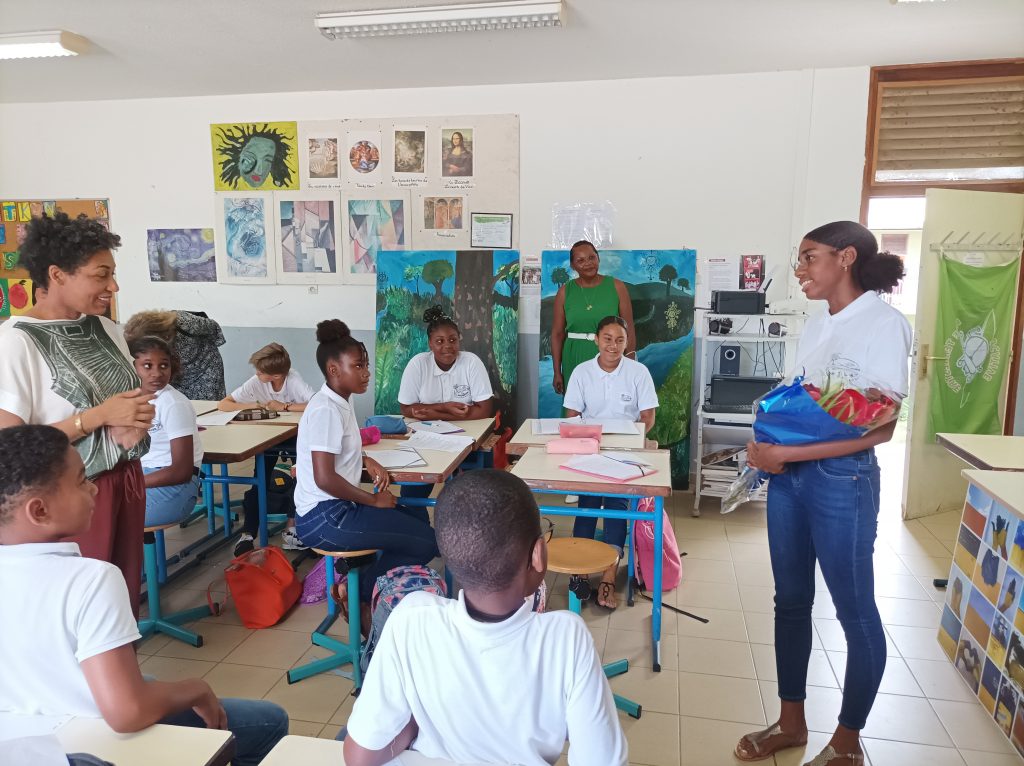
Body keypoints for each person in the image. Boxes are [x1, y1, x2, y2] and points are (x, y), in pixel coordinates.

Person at [0, 424, 288, 766]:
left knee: (149, 682)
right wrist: (196, 688)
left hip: (19, 741)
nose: (94, 488)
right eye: (81, 480)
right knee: (269, 720)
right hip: (87, 745)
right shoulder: (91, 579)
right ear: (39, 511)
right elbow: (127, 711)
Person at [734, 221, 911, 766]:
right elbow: (804, 403)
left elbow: (881, 427)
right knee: (790, 602)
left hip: (843, 481)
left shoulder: (884, 324)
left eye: (809, 257)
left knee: (855, 612)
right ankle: (791, 722)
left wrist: (786, 455)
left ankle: (847, 742)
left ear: (846, 257)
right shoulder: (817, 325)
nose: (800, 269)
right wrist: (768, 442)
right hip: (791, 482)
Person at [342, 469, 627, 766]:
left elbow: (359, 757)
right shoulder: (567, 638)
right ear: (538, 555)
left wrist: (414, 724)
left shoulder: (412, 617)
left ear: (450, 555)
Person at [0, 212, 154, 616]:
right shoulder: (15, 342)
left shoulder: (107, 329)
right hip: (66, 494)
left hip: (125, 479)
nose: (113, 286)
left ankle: (121, 659)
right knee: (82, 609)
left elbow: (123, 403)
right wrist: (97, 417)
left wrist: (133, 423)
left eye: (113, 274)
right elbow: (8, 448)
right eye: (101, 275)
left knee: (120, 600)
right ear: (57, 275)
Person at [294, 320, 439, 612]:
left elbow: (334, 452)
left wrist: (365, 459)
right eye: (358, 366)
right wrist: (373, 500)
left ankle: (361, 583)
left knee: (417, 518)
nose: (367, 373)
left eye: (367, 365)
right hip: (325, 518)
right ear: (334, 370)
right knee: (426, 543)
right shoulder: (325, 409)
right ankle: (357, 593)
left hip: (336, 508)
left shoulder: (340, 401)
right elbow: (324, 478)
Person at [563, 315, 658, 609]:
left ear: (627, 342)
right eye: (607, 339)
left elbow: (648, 417)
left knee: (617, 506)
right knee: (588, 504)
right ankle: (579, 572)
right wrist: (590, 443)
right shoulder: (582, 372)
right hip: (590, 450)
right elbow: (572, 415)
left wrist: (628, 440)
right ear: (596, 340)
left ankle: (608, 576)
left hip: (625, 452)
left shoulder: (638, 372)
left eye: (620, 340)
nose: (613, 346)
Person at [396, 306, 495, 524]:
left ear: (459, 340)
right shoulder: (418, 364)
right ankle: (419, 530)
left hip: (466, 438)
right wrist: (447, 407)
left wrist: (431, 412)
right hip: (425, 440)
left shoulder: (471, 362)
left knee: (467, 493)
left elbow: (485, 410)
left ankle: (461, 531)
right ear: (430, 344)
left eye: (452, 340)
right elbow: (407, 409)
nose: (447, 346)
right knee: (412, 492)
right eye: (439, 341)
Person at [219, 342, 314, 555]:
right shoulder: (256, 381)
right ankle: (248, 534)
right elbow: (224, 404)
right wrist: (253, 405)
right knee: (259, 479)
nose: (257, 374)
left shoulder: (293, 380)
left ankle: (292, 528)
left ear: (276, 376)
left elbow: (316, 403)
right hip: (269, 436)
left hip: (296, 437)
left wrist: (285, 406)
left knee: (301, 476)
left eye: (261, 372)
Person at [130, 335, 203, 527]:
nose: (157, 373)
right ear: (132, 366)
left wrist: (132, 483)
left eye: (164, 365)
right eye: (147, 366)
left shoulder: (172, 403)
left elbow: (181, 471)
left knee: (100, 519)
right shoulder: (128, 398)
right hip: (142, 477)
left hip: (174, 487)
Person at [551, 240, 636, 397]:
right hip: (574, 356)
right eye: (581, 260)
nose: (588, 263)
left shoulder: (617, 286)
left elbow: (628, 328)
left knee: (609, 401)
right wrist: (557, 371)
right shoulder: (565, 292)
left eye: (591, 257)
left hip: (610, 354)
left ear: (598, 258)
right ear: (573, 266)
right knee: (576, 404)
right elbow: (557, 334)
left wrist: (630, 364)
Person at [123, 309, 227, 400]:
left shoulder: (185, 323)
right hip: (174, 369)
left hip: (205, 366)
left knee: (206, 407)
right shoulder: (146, 348)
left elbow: (213, 328)